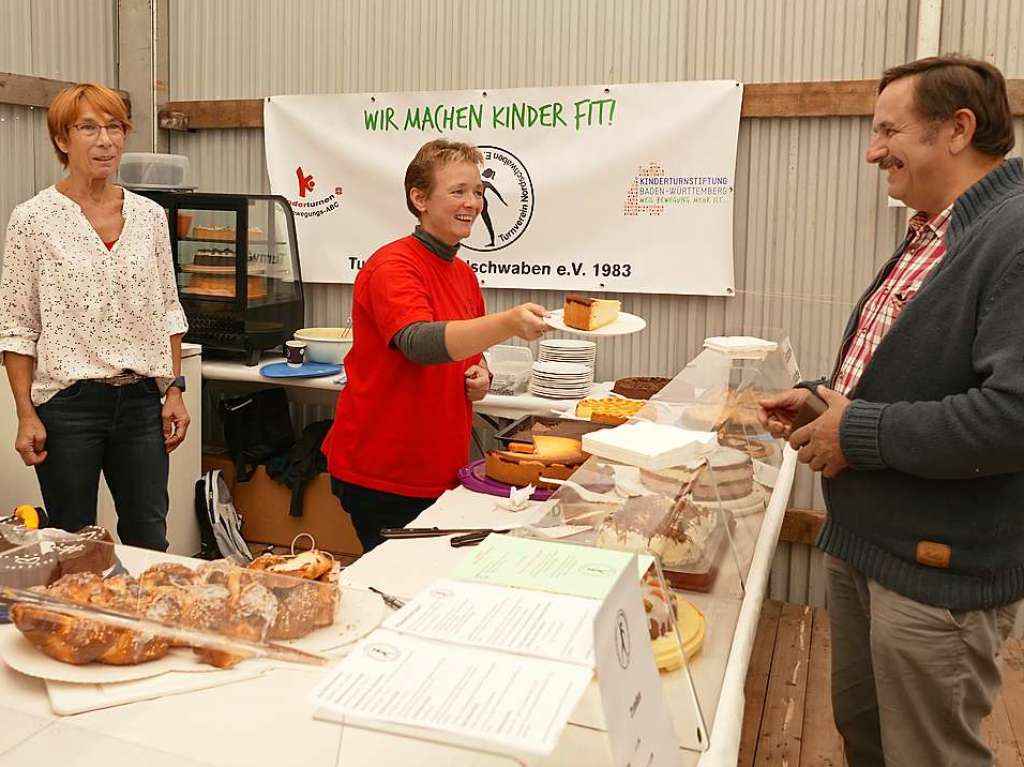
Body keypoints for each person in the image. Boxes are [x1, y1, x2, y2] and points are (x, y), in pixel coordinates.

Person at [759, 55, 1024, 767]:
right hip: (869, 548)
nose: (873, 150)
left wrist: (858, 429)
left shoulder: (1014, 233)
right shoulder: (938, 228)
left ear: (958, 129)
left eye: (888, 131)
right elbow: (916, 372)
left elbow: (1011, 416)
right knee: (869, 737)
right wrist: (824, 399)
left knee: (929, 754)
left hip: (937, 573)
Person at [322, 139, 548, 552]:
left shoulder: (462, 274)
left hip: (441, 468)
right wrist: (507, 323)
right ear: (419, 198)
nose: (473, 203)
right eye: (458, 191)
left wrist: (481, 375)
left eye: (478, 192)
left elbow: (464, 354)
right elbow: (418, 343)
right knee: (397, 586)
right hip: (385, 473)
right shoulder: (393, 265)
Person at [0, 82, 190, 551]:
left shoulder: (149, 216)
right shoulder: (33, 220)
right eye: (88, 128)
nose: (105, 140)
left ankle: (142, 621)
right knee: (71, 541)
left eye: (114, 127)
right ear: (62, 141)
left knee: (149, 535)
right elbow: (18, 327)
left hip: (142, 402)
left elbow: (168, 309)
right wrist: (25, 414)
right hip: (68, 406)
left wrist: (175, 389)